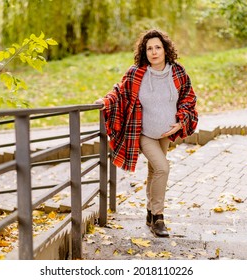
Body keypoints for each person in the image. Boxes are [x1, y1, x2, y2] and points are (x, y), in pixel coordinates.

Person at [95, 29, 198, 237]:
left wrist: (180, 121)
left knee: (154, 172)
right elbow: (120, 92)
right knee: (163, 168)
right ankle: (159, 217)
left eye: (157, 47)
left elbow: (188, 98)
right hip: (144, 133)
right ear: (144, 51)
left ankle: (150, 214)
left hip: (165, 134)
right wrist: (105, 102)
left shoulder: (178, 72)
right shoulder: (136, 73)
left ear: (165, 49)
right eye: (149, 48)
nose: (154, 52)